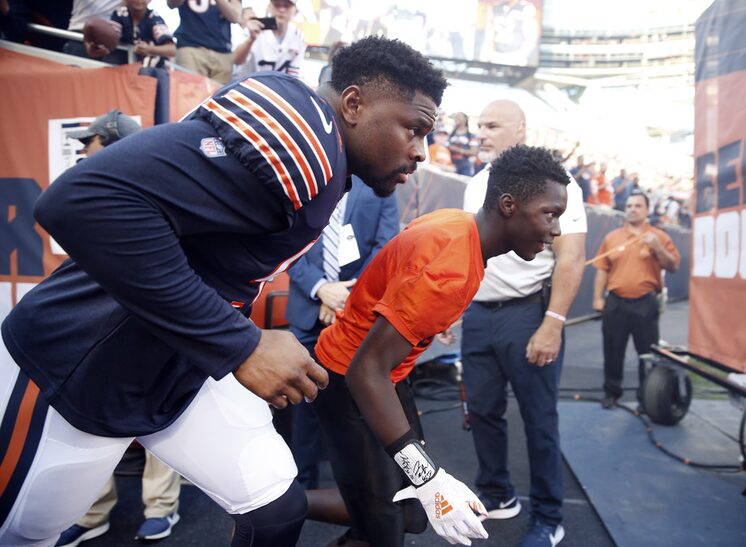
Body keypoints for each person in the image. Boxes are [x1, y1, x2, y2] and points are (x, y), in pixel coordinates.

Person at [0, 36, 447, 547]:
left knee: (276, 506)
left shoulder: (332, 159)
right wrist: (241, 343)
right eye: (413, 128)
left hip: (176, 365)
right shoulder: (306, 132)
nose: (420, 150)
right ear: (352, 103)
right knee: (26, 531)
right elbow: (82, 202)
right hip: (80, 366)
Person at [312, 144, 570, 547]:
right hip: (350, 381)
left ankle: (360, 514)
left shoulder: (459, 226)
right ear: (508, 204)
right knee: (387, 521)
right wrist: (429, 477)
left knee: (410, 511)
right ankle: (275, 504)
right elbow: (366, 371)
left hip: (380, 376)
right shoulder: (449, 267)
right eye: (550, 214)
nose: (556, 230)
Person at [50, 110, 183, 547]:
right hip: (98, 320)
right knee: (86, 419)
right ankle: (91, 513)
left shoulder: (150, 187)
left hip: (149, 323)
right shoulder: (94, 187)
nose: (82, 150)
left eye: (90, 143)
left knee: (159, 418)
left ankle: (161, 507)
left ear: (110, 144)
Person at [461, 100, 586, 547]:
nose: (482, 133)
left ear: (520, 128)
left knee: (539, 419)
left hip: (528, 313)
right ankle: (497, 495)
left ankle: (549, 517)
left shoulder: (556, 184)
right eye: (479, 125)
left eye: (492, 124)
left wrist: (552, 324)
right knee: (482, 411)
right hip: (478, 313)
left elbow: (571, 258)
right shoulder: (475, 184)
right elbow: (469, 254)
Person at [285, 175, 399, 489]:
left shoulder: (380, 187)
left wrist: (345, 300)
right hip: (308, 311)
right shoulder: (306, 183)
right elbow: (288, 245)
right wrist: (321, 289)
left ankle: (359, 489)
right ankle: (301, 486)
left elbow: (385, 249)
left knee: (356, 405)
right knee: (303, 404)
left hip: (356, 312)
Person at [592, 191, 681, 409]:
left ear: (647, 210)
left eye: (638, 206)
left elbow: (673, 266)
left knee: (647, 353)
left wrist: (657, 247)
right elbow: (602, 271)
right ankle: (611, 393)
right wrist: (597, 299)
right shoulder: (612, 237)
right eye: (629, 205)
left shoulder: (659, 236)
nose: (632, 209)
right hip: (615, 301)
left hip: (645, 302)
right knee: (612, 350)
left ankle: (646, 397)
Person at [168, 0, 241, 84]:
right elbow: (172, 4)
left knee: (219, 95)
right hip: (191, 48)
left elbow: (235, 16)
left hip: (222, 52)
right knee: (190, 93)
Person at [88, 0, 175, 66]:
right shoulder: (120, 14)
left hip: (150, 72)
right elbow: (112, 37)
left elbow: (171, 50)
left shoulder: (154, 18)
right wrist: (101, 46)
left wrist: (150, 50)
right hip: (122, 68)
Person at [233, 0, 306, 78]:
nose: (281, 10)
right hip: (246, 85)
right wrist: (251, 39)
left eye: (287, 6)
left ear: (296, 11)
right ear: (269, 7)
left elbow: (292, 76)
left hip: (276, 87)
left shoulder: (299, 37)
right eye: (277, 5)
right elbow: (236, 60)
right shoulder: (254, 27)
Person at [447, 112, 478, 176]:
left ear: (465, 119)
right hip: (450, 166)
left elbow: (474, 152)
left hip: (464, 167)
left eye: (459, 117)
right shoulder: (451, 134)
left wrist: (458, 150)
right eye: (455, 117)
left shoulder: (471, 136)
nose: (456, 118)